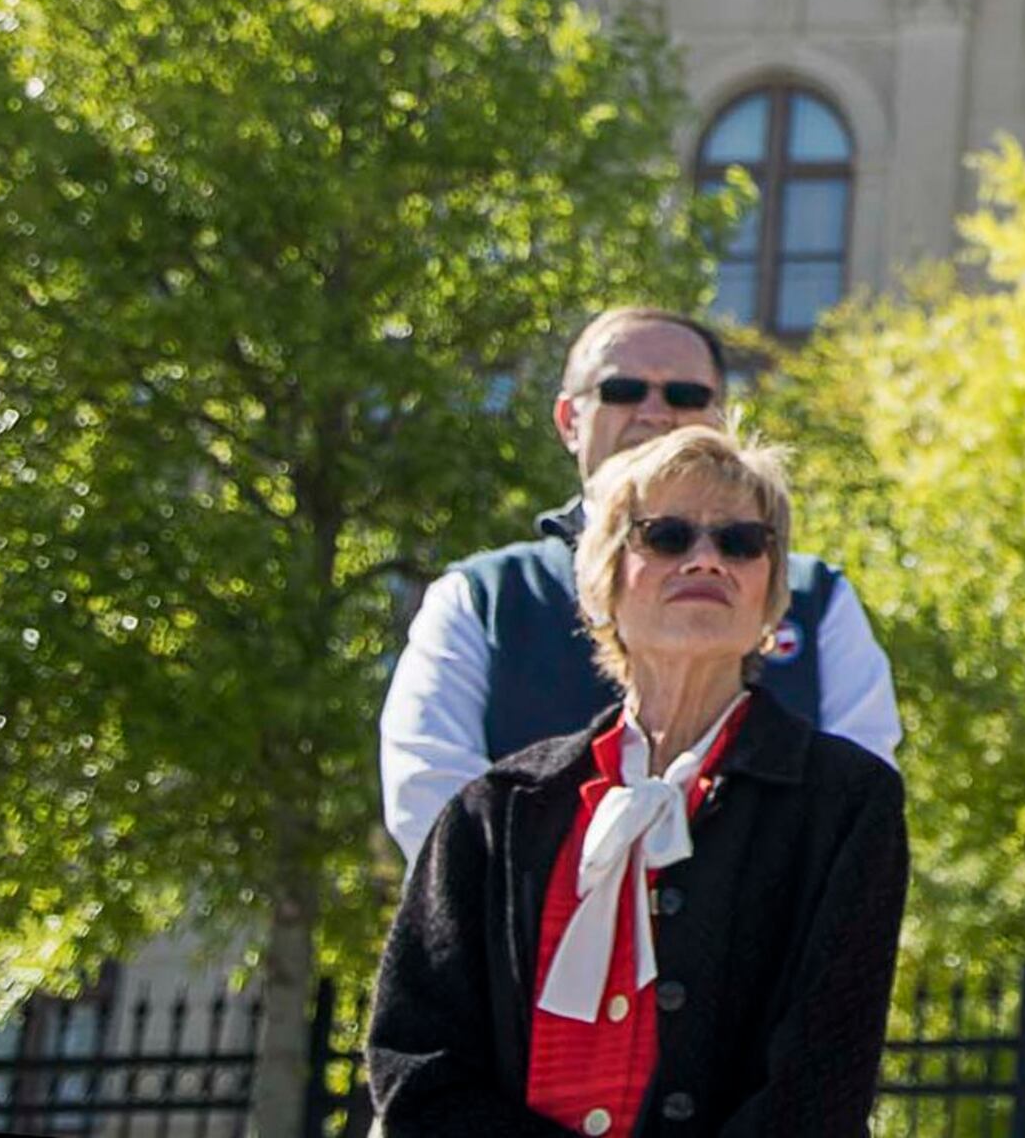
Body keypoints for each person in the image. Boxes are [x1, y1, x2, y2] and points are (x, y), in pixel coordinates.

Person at [365, 426, 909, 1138]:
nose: (707, 559)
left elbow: (820, 1087)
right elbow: (418, 1067)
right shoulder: (495, 812)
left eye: (742, 542)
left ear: (771, 594)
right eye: (667, 536)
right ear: (602, 583)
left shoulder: (843, 802)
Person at [382, 309, 900, 864]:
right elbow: (429, 796)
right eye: (623, 389)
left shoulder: (816, 599)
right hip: (533, 939)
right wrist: (590, 907)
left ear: (720, 420)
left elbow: (858, 807)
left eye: (684, 394)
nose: (655, 412)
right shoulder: (482, 598)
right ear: (568, 419)